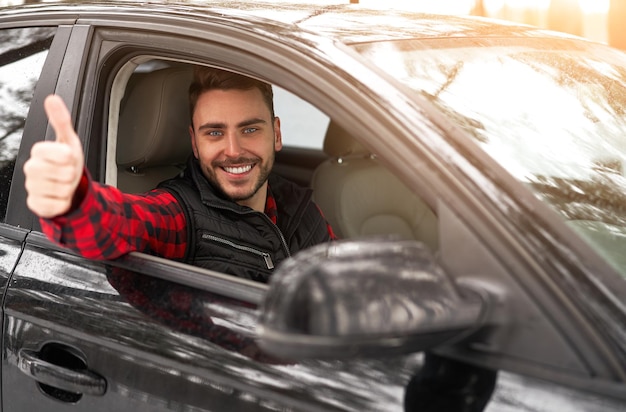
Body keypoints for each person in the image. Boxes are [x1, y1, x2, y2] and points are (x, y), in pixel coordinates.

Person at [24, 66, 335, 283]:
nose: (233, 150)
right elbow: (125, 222)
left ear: (276, 134)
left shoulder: (300, 205)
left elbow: (348, 275)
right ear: (194, 144)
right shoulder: (180, 214)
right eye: (214, 133)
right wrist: (75, 203)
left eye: (250, 129)